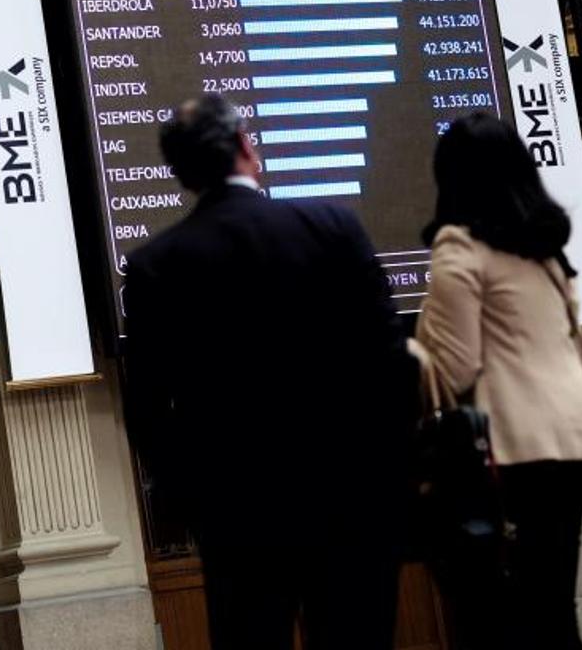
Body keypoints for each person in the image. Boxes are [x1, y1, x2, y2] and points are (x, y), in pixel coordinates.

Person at [122, 95, 416, 650]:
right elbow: (392, 365)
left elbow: (146, 410)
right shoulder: (333, 227)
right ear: (245, 147)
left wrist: (195, 502)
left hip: (237, 516)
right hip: (349, 495)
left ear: (180, 175)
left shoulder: (156, 265)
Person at [415, 113, 582, 650]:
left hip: (515, 455)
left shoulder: (461, 249)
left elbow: (451, 368)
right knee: (553, 612)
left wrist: (410, 346)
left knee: (509, 619)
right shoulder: (545, 253)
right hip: (577, 445)